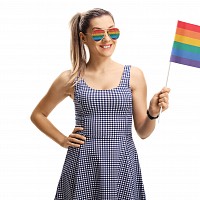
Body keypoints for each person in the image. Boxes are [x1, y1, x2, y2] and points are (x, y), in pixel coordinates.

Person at [30, 8, 170, 200]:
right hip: (83, 163)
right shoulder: (70, 79)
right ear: (83, 37)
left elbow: (143, 132)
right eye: (98, 33)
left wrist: (153, 112)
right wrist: (62, 140)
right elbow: (38, 114)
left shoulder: (134, 75)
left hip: (122, 163)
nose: (107, 39)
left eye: (112, 31)